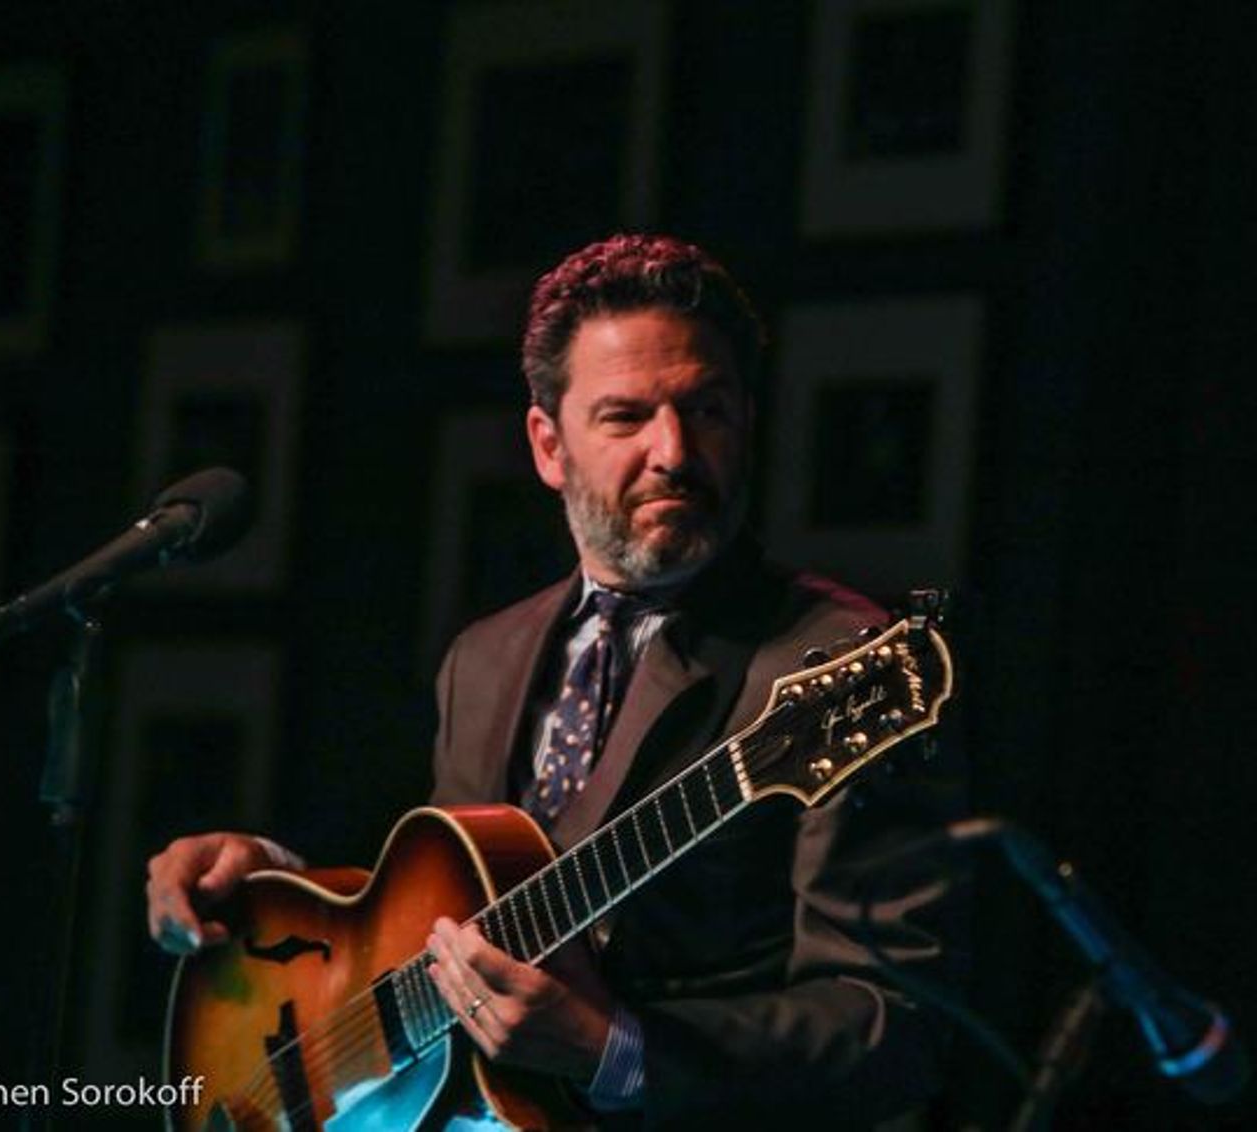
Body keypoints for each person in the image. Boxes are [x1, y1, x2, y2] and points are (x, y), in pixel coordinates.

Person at [146, 234, 964, 1128]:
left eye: (709, 410)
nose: (674, 452)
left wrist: (615, 1049)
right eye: (626, 417)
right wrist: (268, 879)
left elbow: (894, 1032)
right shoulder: (485, 658)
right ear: (548, 444)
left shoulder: (837, 661)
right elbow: (421, 925)